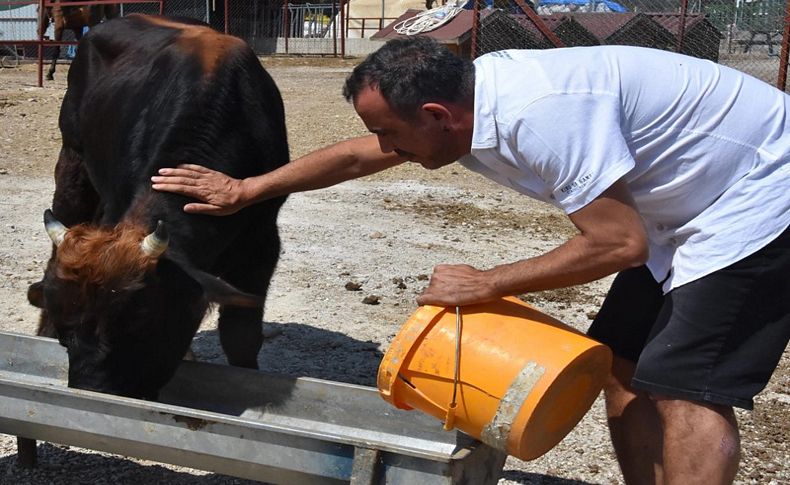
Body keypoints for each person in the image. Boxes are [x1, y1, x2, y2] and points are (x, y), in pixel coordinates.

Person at [151, 37, 790, 484]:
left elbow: (618, 244)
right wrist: (246, 190)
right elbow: (353, 156)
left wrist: (489, 283)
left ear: (435, 116)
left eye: (392, 134)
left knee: (683, 386)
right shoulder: (465, 104)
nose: (384, 147)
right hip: (686, 210)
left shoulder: (540, 118)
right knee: (622, 366)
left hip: (761, 198)